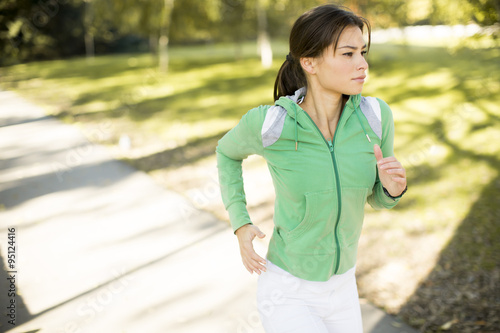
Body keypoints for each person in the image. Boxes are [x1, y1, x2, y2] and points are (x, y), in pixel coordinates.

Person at [216, 4, 407, 333]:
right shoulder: (272, 124)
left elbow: (377, 198)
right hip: (289, 290)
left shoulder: (376, 116)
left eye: (362, 52)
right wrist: (240, 221)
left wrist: (392, 189)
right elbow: (226, 153)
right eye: (348, 54)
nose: (362, 65)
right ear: (309, 62)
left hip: (344, 287)